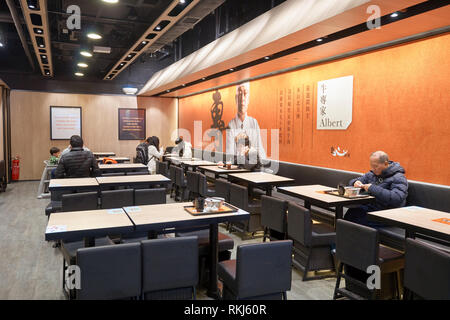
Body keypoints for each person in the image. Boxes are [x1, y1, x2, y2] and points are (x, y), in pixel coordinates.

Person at [344, 151, 408, 229]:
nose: (373, 169)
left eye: (375, 166)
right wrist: (355, 182)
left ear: (385, 163)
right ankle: (344, 240)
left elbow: (397, 198)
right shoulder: (372, 174)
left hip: (387, 214)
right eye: (371, 166)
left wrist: (372, 188)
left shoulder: (398, 177)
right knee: (351, 213)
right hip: (372, 209)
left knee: (356, 219)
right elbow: (353, 181)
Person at [226, 82, 266, 160]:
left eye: (245, 94)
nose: (242, 99)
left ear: (248, 99)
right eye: (240, 94)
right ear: (235, 99)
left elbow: (260, 151)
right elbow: (230, 155)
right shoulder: (231, 124)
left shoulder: (254, 123)